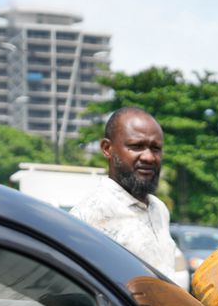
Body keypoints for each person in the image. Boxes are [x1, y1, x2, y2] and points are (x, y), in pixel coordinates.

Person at [71, 107, 182, 282]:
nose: (149, 157)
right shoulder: (89, 215)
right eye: (136, 146)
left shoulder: (159, 209)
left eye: (156, 148)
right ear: (107, 149)